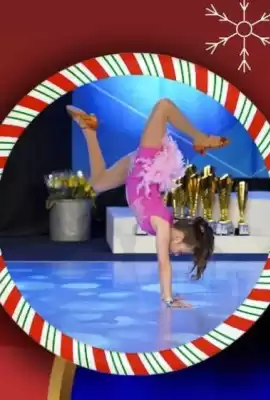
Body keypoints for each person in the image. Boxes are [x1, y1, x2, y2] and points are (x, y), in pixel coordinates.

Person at [66, 98, 231, 308]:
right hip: (148, 159)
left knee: (96, 183)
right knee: (163, 106)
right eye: (182, 250)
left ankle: (89, 129)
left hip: (137, 171)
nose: (176, 253)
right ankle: (200, 137)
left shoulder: (164, 222)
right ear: (179, 237)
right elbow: (164, 263)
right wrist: (169, 299)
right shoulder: (162, 225)